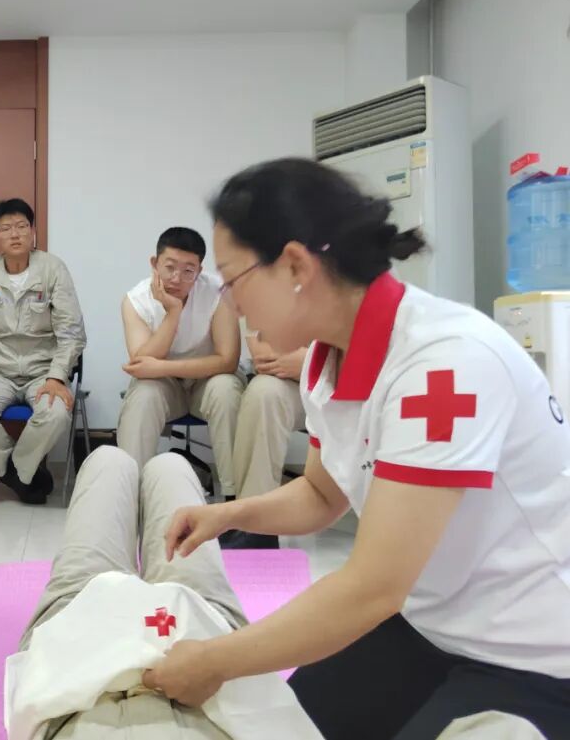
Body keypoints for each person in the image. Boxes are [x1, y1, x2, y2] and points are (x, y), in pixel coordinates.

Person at [145, 158, 570, 740]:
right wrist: (229, 514)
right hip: (427, 623)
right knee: (287, 724)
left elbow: (373, 585)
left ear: (296, 266)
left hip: (535, 655)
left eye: (233, 280)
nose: (232, 304)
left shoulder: (444, 363)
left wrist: (214, 661)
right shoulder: (325, 363)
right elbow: (323, 495)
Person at [5, 446, 322, 740]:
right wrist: (219, 658)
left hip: (74, 640)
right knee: (168, 466)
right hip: (204, 632)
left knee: (109, 461)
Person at [0, 198, 86, 505]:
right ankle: (22, 474)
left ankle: (14, 470)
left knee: (56, 414)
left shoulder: (53, 269)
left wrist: (57, 377)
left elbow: (72, 333)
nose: (14, 234)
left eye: (21, 226)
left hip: (44, 371)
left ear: (33, 231)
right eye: (6, 228)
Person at [116, 227, 245, 494]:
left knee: (226, 389)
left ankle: (234, 496)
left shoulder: (219, 293)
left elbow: (228, 361)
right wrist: (173, 313)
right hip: (164, 385)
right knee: (143, 395)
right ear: (155, 263)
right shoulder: (135, 300)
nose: (177, 278)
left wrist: (162, 367)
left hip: (207, 382)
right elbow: (142, 363)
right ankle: (132, 493)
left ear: (199, 270)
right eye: (170, 267)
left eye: (188, 271)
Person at [220, 324, 308, 549]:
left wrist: (309, 360)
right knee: (264, 392)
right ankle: (255, 526)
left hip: (353, 387)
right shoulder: (265, 299)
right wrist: (314, 361)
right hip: (299, 384)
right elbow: (265, 357)